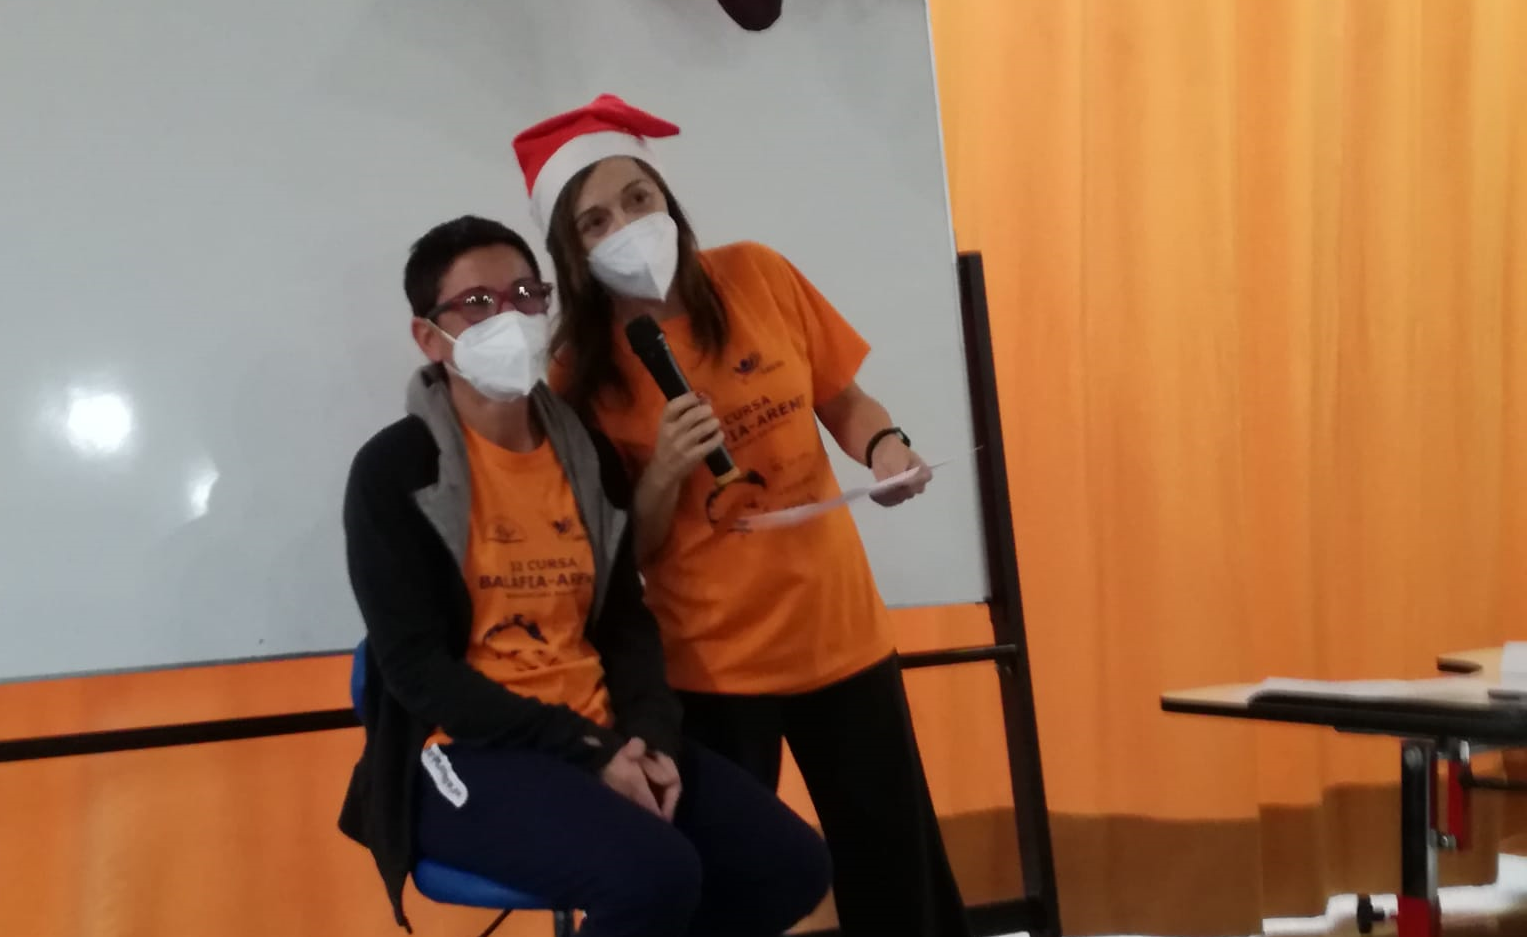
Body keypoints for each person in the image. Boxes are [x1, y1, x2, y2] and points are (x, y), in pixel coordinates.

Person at [514, 95, 972, 937]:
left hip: (841, 633)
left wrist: (885, 448)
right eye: (595, 221)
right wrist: (665, 469)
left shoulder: (757, 275)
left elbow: (844, 398)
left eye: (638, 198)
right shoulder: (577, 373)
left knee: (896, 876)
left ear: (667, 198)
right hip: (712, 667)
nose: (627, 227)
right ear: (571, 253)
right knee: (730, 893)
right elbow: (620, 555)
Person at [336, 215, 831, 937]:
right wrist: (592, 751)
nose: (509, 316)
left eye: (525, 294)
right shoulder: (394, 471)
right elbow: (416, 669)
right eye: (477, 303)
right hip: (460, 750)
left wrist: (651, 740)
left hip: (602, 731)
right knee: (655, 875)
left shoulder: (586, 456)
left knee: (791, 866)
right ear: (429, 337)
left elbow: (623, 620)